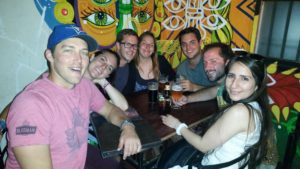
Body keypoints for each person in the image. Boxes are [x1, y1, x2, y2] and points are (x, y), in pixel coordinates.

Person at [5, 24, 141, 169]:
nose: (79, 60)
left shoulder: (84, 86)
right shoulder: (31, 106)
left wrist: (128, 126)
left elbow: (110, 110)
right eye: (69, 50)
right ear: (50, 55)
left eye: (83, 53)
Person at [161, 54, 272, 168]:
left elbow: (203, 145)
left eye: (244, 78)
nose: (234, 85)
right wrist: (188, 99)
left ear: (256, 85)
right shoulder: (257, 105)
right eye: (231, 76)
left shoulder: (239, 111)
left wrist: (177, 125)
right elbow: (215, 90)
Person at [175, 42, 234, 107]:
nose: (207, 67)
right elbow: (212, 92)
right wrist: (187, 99)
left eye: (213, 61)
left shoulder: (234, 86)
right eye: (205, 62)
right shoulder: (222, 86)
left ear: (227, 62)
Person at [176, 27, 216, 92]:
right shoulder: (181, 69)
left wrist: (195, 87)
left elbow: (222, 90)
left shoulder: (213, 63)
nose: (188, 48)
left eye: (192, 43)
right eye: (184, 44)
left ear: (200, 43)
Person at [110, 29, 139, 95]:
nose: (132, 49)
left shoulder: (133, 68)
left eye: (135, 45)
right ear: (118, 45)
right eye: (128, 44)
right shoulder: (105, 65)